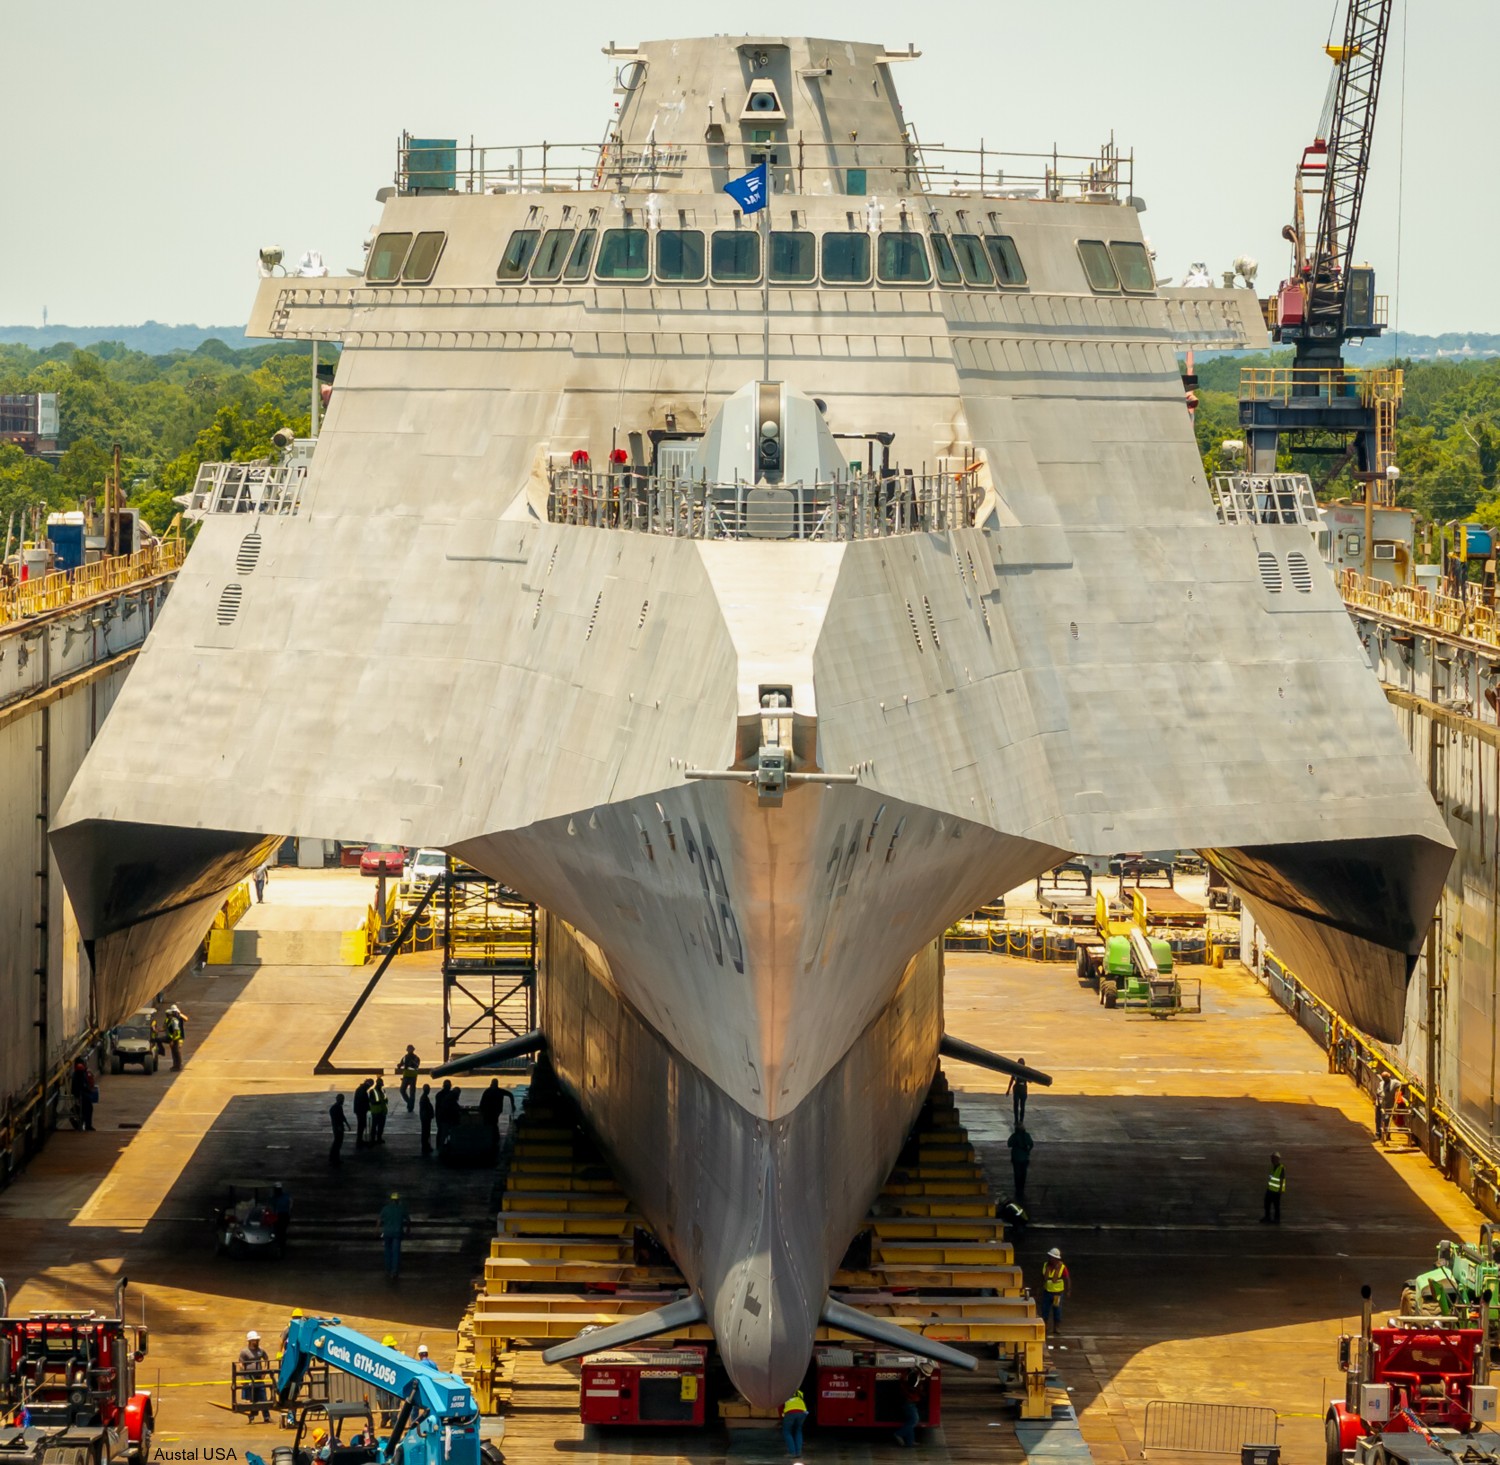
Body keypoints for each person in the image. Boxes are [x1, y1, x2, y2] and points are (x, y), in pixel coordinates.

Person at [237, 1330, 274, 1423]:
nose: (257, 1342)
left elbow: (266, 1359)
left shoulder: (261, 1350)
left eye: (257, 1340)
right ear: (250, 1341)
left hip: (258, 1377)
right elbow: (241, 1364)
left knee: (263, 1396)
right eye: (255, 1340)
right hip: (249, 1377)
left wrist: (264, 1372)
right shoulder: (244, 1352)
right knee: (251, 1397)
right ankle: (251, 1417)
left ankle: (266, 1417)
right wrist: (243, 1377)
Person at [1040, 1247, 1070, 1346]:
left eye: (1052, 1257)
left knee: (1057, 1310)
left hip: (1057, 1293)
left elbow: (1067, 1279)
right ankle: (1045, 1328)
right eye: (1049, 1257)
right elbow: (1042, 1278)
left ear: (1056, 1259)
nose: (1050, 1259)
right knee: (1045, 1310)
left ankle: (1057, 1328)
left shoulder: (1062, 1267)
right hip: (1047, 1292)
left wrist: (1068, 1290)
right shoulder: (1045, 1265)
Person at [379, 1191, 411, 1280]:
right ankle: (394, 1271)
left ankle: (387, 1270)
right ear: (398, 1200)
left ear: (391, 1200)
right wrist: (408, 1229)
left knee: (387, 1252)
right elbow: (408, 1220)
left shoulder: (386, 1208)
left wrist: (377, 1230)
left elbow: (379, 1219)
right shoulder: (401, 1209)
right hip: (397, 1233)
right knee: (396, 1252)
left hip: (387, 1233)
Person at [894, 1366, 924, 1447]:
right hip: (909, 1403)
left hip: (908, 1403)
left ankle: (910, 1441)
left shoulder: (905, 1381)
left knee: (910, 1421)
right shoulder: (912, 1384)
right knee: (914, 1420)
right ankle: (899, 1434)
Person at [1007, 1125, 1034, 1202]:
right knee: (1023, 1174)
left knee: (1017, 1174)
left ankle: (1018, 1189)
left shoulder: (1014, 1136)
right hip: (1024, 1158)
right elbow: (1031, 1144)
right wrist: (1028, 1151)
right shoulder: (1026, 1135)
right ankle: (1021, 1188)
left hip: (1016, 1158)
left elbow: (1009, 1144)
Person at [70, 1056, 96, 1131]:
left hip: (81, 1093)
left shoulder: (81, 1072)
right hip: (81, 1094)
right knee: (87, 1108)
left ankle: (85, 1124)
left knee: (85, 1109)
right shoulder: (80, 1071)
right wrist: (89, 1090)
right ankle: (86, 1125)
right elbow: (82, 1085)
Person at [781, 1386, 807, 1457]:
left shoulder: (785, 1393)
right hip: (802, 1412)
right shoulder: (800, 1392)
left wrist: (783, 1416)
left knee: (787, 1432)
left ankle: (792, 1453)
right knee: (798, 1431)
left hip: (790, 1413)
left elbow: (781, 1406)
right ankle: (798, 1453)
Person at [1262, 1152, 1286, 1224]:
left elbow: (1282, 1180)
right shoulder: (1272, 1167)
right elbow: (1271, 1178)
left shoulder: (1281, 1168)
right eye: (1271, 1158)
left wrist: (1281, 1190)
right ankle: (1267, 1217)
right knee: (1267, 1204)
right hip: (1270, 1189)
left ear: (1277, 1159)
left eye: (1273, 1158)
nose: (1272, 1160)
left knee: (1276, 1206)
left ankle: (1277, 1219)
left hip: (1276, 1191)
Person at [397, 1046, 421, 1112]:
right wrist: (399, 1065)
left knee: (410, 1092)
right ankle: (410, 1103)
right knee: (403, 1090)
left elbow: (416, 1066)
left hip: (411, 1076)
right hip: (407, 1076)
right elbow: (401, 1064)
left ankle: (410, 1106)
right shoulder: (405, 1057)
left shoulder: (415, 1058)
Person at [270, 1184, 292, 1250]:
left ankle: (280, 1245)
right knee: (281, 1231)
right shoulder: (285, 1197)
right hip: (282, 1215)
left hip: (281, 1215)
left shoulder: (277, 1197)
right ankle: (280, 1244)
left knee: (280, 1231)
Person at [163, 1006, 185, 1071]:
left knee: (177, 1051)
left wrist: (179, 1013)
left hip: (178, 1037)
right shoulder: (171, 1019)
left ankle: (178, 1065)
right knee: (174, 1052)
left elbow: (186, 1019)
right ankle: (176, 1065)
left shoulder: (178, 1018)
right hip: (174, 1037)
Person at [369, 1077, 390, 1144]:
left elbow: (386, 1099)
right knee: (374, 1126)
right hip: (376, 1112)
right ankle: (372, 1139)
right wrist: (380, 1101)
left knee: (381, 1126)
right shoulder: (372, 1091)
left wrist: (385, 1101)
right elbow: (372, 1101)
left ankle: (379, 1138)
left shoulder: (383, 1091)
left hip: (383, 1111)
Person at [1374, 1073, 1393, 1144]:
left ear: (1389, 1077)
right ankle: (1378, 1133)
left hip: (1387, 1104)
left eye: (1385, 1077)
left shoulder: (1393, 1083)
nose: (1384, 1079)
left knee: (1386, 1119)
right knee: (1378, 1118)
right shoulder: (1381, 1083)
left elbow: (1401, 1084)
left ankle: (1386, 1134)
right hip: (1379, 1103)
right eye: (1383, 1077)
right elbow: (1378, 1092)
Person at [329, 1093, 348, 1164]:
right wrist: (339, 1127)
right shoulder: (336, 1108)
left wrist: (346, 1124)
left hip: (338, 1127)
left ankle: (334, 1158)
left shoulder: (337, 1107)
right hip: (338, 1128)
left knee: (337, 1143)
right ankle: (334, 1158)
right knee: (337, 1143)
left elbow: (342, 1117)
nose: (343, 1101)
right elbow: (337, 1119)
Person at [353, 1079, 372, 1147]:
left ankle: (360, 1140)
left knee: (362, 1125)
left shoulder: (362, 1089)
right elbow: (362, 1101)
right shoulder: (362, 1090)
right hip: (360, 1110)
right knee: (361, 1125)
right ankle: (359, 1141)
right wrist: (368, 1107)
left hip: (360, 1110)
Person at [418, 1084, 435, 1157]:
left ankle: (426, 1146)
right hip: (425, 1118)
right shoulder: (424, 1098)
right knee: (426, 1132)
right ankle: (425, 1146)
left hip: (425, 1118)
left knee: (426, 1132)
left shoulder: (424, 1097)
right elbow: (425, 1109)